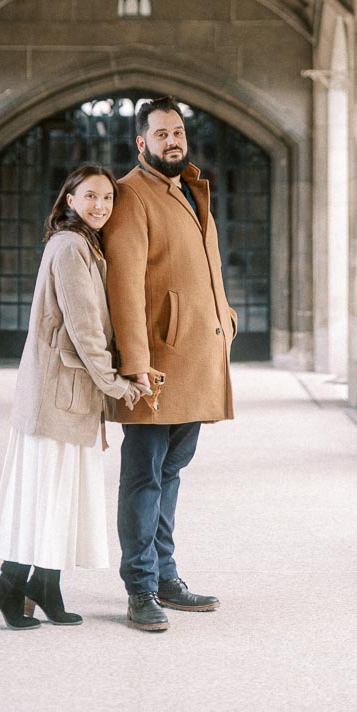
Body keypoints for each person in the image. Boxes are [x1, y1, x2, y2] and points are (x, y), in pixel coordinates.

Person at [0, 165, 147, 630]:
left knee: (56, 495)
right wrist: (117, 384)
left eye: (108, 198)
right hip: (60, 395)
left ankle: (42, 586)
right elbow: (84, 329)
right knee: (47, 492)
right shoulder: (72, 247)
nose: (100, 206)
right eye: (90, 196)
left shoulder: (81, 245)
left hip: (63, 394)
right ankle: (11, 584)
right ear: (69, 200)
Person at [102, 97, 237, 633]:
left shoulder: (186, 189)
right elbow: (124, 286)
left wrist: (224, 315)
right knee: (144, 477)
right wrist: (134, 363)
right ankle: (140, 587)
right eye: (160, 135)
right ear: (141, 143)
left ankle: (165, 576)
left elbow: (206, 264)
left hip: (196, 359)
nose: (171, 141)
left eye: (177, 132)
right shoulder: (132, 196)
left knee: (170, 473)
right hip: (156, 365)